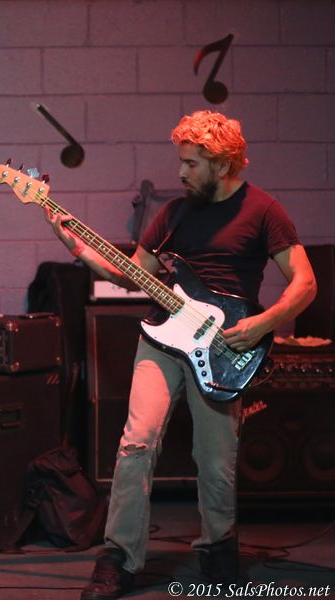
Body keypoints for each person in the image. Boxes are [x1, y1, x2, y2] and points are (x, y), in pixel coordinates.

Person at [43, 110, 317, 600]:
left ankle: (219, 552)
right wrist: (75, 245)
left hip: (225, 346)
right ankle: (118, 559)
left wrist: (263, 323)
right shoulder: (173, 213)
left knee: (215, 459)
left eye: (191, 164)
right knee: (136, 444)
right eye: (181, 161)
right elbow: (131, 273)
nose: (181, 172)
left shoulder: (264, 211)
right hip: (163, 341)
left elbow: (306, 282)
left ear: (223, 163)